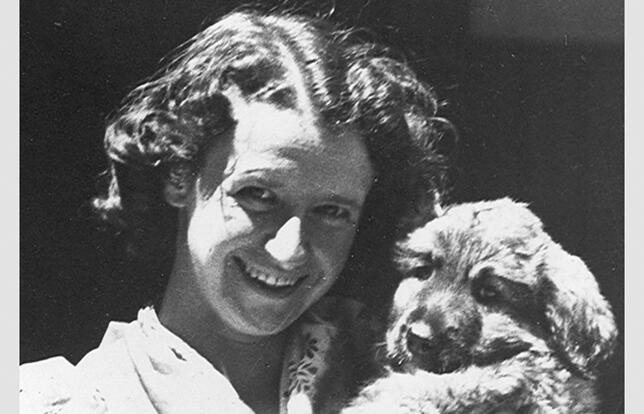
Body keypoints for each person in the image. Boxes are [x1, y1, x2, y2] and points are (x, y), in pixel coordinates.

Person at [20, 8, 447, 414]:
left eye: (332, 211)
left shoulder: (426, 391)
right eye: (258, 194)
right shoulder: (57, 401)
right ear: (178, 175)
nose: (289, 250)